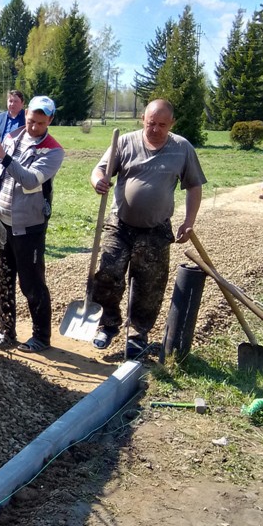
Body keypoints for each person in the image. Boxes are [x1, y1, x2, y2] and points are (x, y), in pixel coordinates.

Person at [89, 98, 207, 360]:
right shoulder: (125, 142)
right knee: (107, 274)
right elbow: (99, 170)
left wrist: (189, 221)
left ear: (172, 124)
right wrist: (99, 181)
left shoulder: (182, 148)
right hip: (119, 224)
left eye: (162, 125)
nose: (155, 129)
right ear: (143, 118)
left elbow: (194, 186)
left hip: (155, 229)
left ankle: (137, 335)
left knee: (149, 286)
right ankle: (107, 325)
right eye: (151, 123)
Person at [0, 95, 64, 353]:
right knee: (3, 279)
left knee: (31, 283)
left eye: (39, 122)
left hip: (28, 228)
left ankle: (41, 337)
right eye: (30, 120)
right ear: (25, 115)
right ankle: (6, 330)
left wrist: (5, 158)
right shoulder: (13, 137)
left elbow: (28, 180)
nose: (33, 127)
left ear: (49, 120)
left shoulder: (53, 151)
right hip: (0, 224)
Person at [0, 90, 26, 161]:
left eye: (16, 101)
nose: (12, 104)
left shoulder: (27, 119)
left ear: (22, 103)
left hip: (17, 160)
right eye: (10, 101)